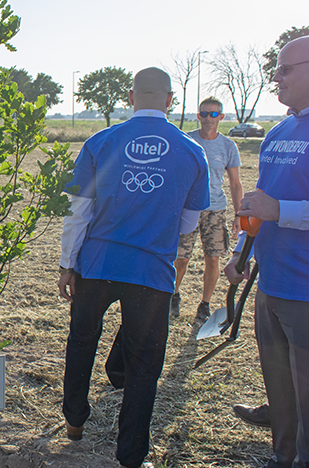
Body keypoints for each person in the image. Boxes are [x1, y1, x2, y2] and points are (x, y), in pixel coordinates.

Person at [57, 67, 210, 468]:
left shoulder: (99, 142)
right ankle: (131, 455)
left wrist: (66, 265)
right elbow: (189, 223)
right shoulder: (194, 153)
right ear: (170, 100)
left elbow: (78, 212)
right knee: (144, 366)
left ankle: (74, 421)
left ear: (130, 96)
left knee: (82, 341)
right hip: (153, 272)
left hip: (97, 264)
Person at [224, 35, 309, 468]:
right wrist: (242, 251)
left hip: (305, 292)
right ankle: (282, 457)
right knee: (280, 386)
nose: (276, 77)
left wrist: (281, 211)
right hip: (271, 284)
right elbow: (260, 200)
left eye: (285, 69)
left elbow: (274, 205)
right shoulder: (278, 133)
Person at [172, 96, 243, 322]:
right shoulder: (186, 140)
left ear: (221, 117)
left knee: (213, 258)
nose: (208, 118)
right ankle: (173, 295)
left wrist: (239, 214)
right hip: (189, 209)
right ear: (198, 115)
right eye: (204, 114)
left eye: (213, 114)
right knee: (181, 258)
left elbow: (235, 183)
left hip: (216, 210)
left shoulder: (228, 146)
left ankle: (205, 304)